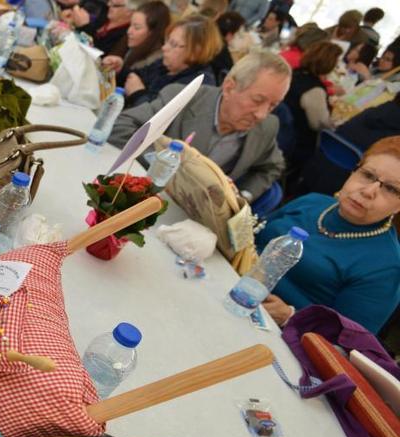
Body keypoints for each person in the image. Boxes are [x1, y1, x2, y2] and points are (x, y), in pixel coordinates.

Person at [258, 136, 400, 334]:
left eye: (392, 189)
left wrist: (290, 316)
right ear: (354, 171)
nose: (368, 191)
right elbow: (253, 239)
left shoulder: (385, 267)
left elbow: (350, 340)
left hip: (277, 335)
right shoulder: (312, 201)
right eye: (368, 175)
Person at [110, 50, 291, 201]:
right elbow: (122, 126)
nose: (262, 114)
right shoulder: (184, 97)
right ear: (229, 87)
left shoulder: (267, 127)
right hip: (144, 197)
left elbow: (271, 167)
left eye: (273, 105)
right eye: (257, 100)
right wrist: (164, 165)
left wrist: (242, 194)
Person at [123, 15, 222, 107]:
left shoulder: (198, 86)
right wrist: (120, 69)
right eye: (167, 41)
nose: (164, 48)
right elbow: (137, 75)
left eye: (173, 44)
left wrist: (138, 94)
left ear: (195, 51)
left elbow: (159, 117)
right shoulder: (167, 64)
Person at [284, 41, 343, 171]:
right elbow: (319, 124)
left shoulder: (294, 73)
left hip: (282, 132)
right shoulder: (314, 90)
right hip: (295, 144)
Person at [100, 1, 171, 86]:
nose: (129, 31)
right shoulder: (129, 45)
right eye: (130, 25)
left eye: (137, 28)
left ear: (153, 33)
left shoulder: (154, 61)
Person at [64, 0, 138, 57]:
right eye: (110, 2)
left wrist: (84, 27)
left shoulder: (125, 36)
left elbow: (98, 54)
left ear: (129, 12)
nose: (109, 5)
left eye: (114, 5)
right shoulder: (104, 13)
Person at [212, 11, 246, 84]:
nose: (242, 38)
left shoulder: (209, 39)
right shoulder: (223, 55)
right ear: (229, 35)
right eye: (239, 35)